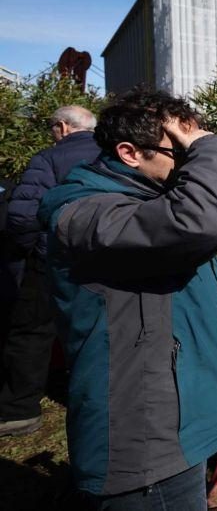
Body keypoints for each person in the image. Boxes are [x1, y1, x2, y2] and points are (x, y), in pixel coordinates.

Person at [38, 89, 217, 507]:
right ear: (129, 153)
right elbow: (206, 216)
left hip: (172, 422)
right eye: (181, 151)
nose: (189, 161)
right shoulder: (86, 214)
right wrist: (211, 146)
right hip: (143, 438)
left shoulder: (140, 200)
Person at [0, 106, 100, 438]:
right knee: (96, 334)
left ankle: (19, 412)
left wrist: (37, 248)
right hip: (105, 263)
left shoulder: (49, 159)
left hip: (53, 262)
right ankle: (95, 405)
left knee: (31, 333)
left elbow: (22, 217)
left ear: (62, 127)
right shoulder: (117, 153)